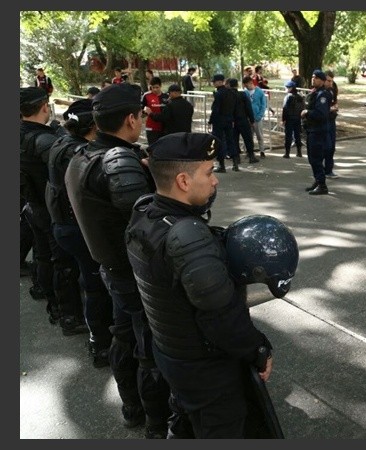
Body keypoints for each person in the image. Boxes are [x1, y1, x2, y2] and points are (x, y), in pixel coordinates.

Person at [125, 132, 275, 438]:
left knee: (187, 418)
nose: (215, 180)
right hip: (204, 368)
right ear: (183, 181)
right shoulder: (187, 236)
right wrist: (259, 348)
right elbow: (221, 317)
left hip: (171, 352)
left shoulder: (145, 213)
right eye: (208, 173)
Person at [63, 83, 173, 438]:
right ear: (130, 118)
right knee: (148, 349)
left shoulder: (81, 154)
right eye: (141, 115)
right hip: (132, 272)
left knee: (123, 336)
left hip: (110, 266)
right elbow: (148, 224)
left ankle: (132, 406)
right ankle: (155, 423)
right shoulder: (118, 162)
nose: (142, 120)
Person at [47, 99, 113, 367]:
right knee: (94, 285)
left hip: (62, 223)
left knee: (86, 280)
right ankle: (100, 343)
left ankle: (93, 332)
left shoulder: (60, 143)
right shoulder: (79, 153)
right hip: (74, 227)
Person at [20, 86, 85, 333]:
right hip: (48, 208)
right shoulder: (42, 139)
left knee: (43, 253)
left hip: (32, 204)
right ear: (44, 107)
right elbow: (66, 168)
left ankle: (45, 292)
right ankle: (67, 314)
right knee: (63, 263)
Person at [302, 69, 332, 195]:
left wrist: (307, 113)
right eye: (313, 77)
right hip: (311, 129)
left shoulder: (323, 95)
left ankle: (322, 185)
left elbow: (321, 114)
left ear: (323, 81)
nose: (313, 79)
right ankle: (317, 180)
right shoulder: (315, 93)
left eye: (317, 78)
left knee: (316, 158)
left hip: (318, 131)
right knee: (311, 158)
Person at [209, 74, 238, 173]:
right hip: (229, 119)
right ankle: (235, 162)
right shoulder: (231, 93)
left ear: (219, 82)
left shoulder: (219, 94)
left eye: (214, 82)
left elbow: (216, 109)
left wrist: (211, 120)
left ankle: (222, 165)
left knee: (218, 141)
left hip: (219, 121)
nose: (213, 83)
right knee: (231, 140)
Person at [227, 78, 258, 164]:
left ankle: (236, 158)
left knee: (234, 139)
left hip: (232, 121)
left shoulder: (227, 96)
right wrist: (251, 120)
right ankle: (251, 156)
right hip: (243, 119)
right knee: (247, 138)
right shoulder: (243, 94)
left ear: (229, 85)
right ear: (237, 85)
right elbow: (248, 108)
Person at [243, 75, 267, 158]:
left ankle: (262, 151)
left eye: (247, 85)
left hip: (257, 117)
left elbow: (263, 105)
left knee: (259, 135)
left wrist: (260, 115)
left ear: (251, 83)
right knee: (249, 135)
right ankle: (249, 151)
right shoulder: (245, 92)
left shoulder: (259, 92)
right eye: (245, 86)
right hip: (248, 118)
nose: (246, 87)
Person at [141, 76, 168, 145]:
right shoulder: (146, 96)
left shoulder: (166, 96)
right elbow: (141, 109)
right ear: (150, 87)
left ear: (160, 86)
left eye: (157, 87)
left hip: (164, 128)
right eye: (153, 87)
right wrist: (144, 111)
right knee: (152, 148)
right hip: (151, 127)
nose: (155, 89)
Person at [282, 80, 304, 159]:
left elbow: (285, 108)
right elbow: (302, 107)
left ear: (290, 88)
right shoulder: (300, 97)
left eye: (287, 87)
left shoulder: (288, 97)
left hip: (289, 118)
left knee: (288, 136)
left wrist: (283, 119)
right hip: (297, 118)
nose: (286, 89)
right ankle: (299, 152)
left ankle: (287, 153)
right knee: (297, 135)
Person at [324, 69, 340, 178]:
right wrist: (331, 108)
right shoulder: (320, 93)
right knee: (326, 146)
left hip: (331, 120)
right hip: (323, 122)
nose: (330, 83)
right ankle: (323, 171)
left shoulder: (332, 90)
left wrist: (335, 107)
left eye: (331, 81)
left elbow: (335, 103)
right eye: (328, 81)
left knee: (332, 147)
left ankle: (329, 170)